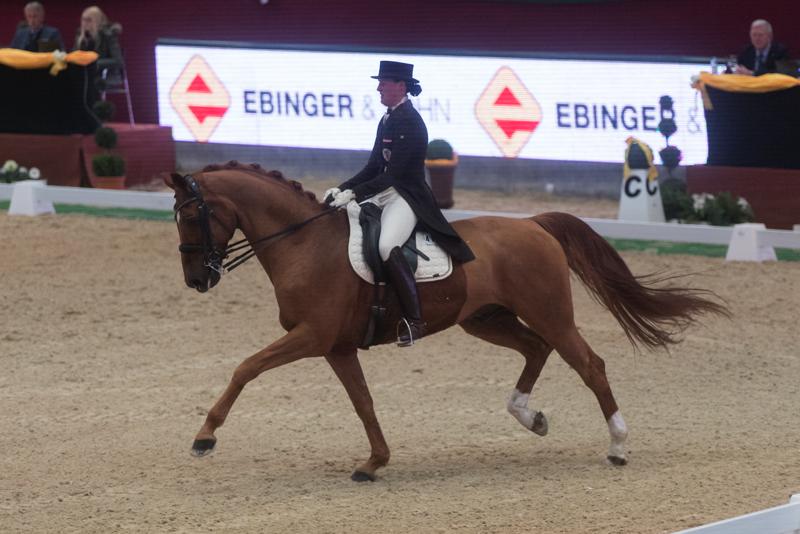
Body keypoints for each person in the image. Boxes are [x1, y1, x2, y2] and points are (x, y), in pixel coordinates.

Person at [325, 61, 475, 347]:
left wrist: (355, 194)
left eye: (384, 82)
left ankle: (415, 320)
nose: (378, 87)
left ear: (400, 87)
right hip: (386, 192)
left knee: (385, 246)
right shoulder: (388, 119)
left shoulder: (411, 122)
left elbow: (394, 175)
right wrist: (342, 189)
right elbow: (373, 166)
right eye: (379, 82)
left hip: (407, 196)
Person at [74, 6, 123, 72]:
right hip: (85, 74)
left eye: (89, 20)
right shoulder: (80, 35)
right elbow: (75, 54)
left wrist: (93, 63)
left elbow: (117, 61)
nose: (84, 23)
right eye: (83, 19)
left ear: (97, 21)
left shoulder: (108, 35)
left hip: (105, 74)